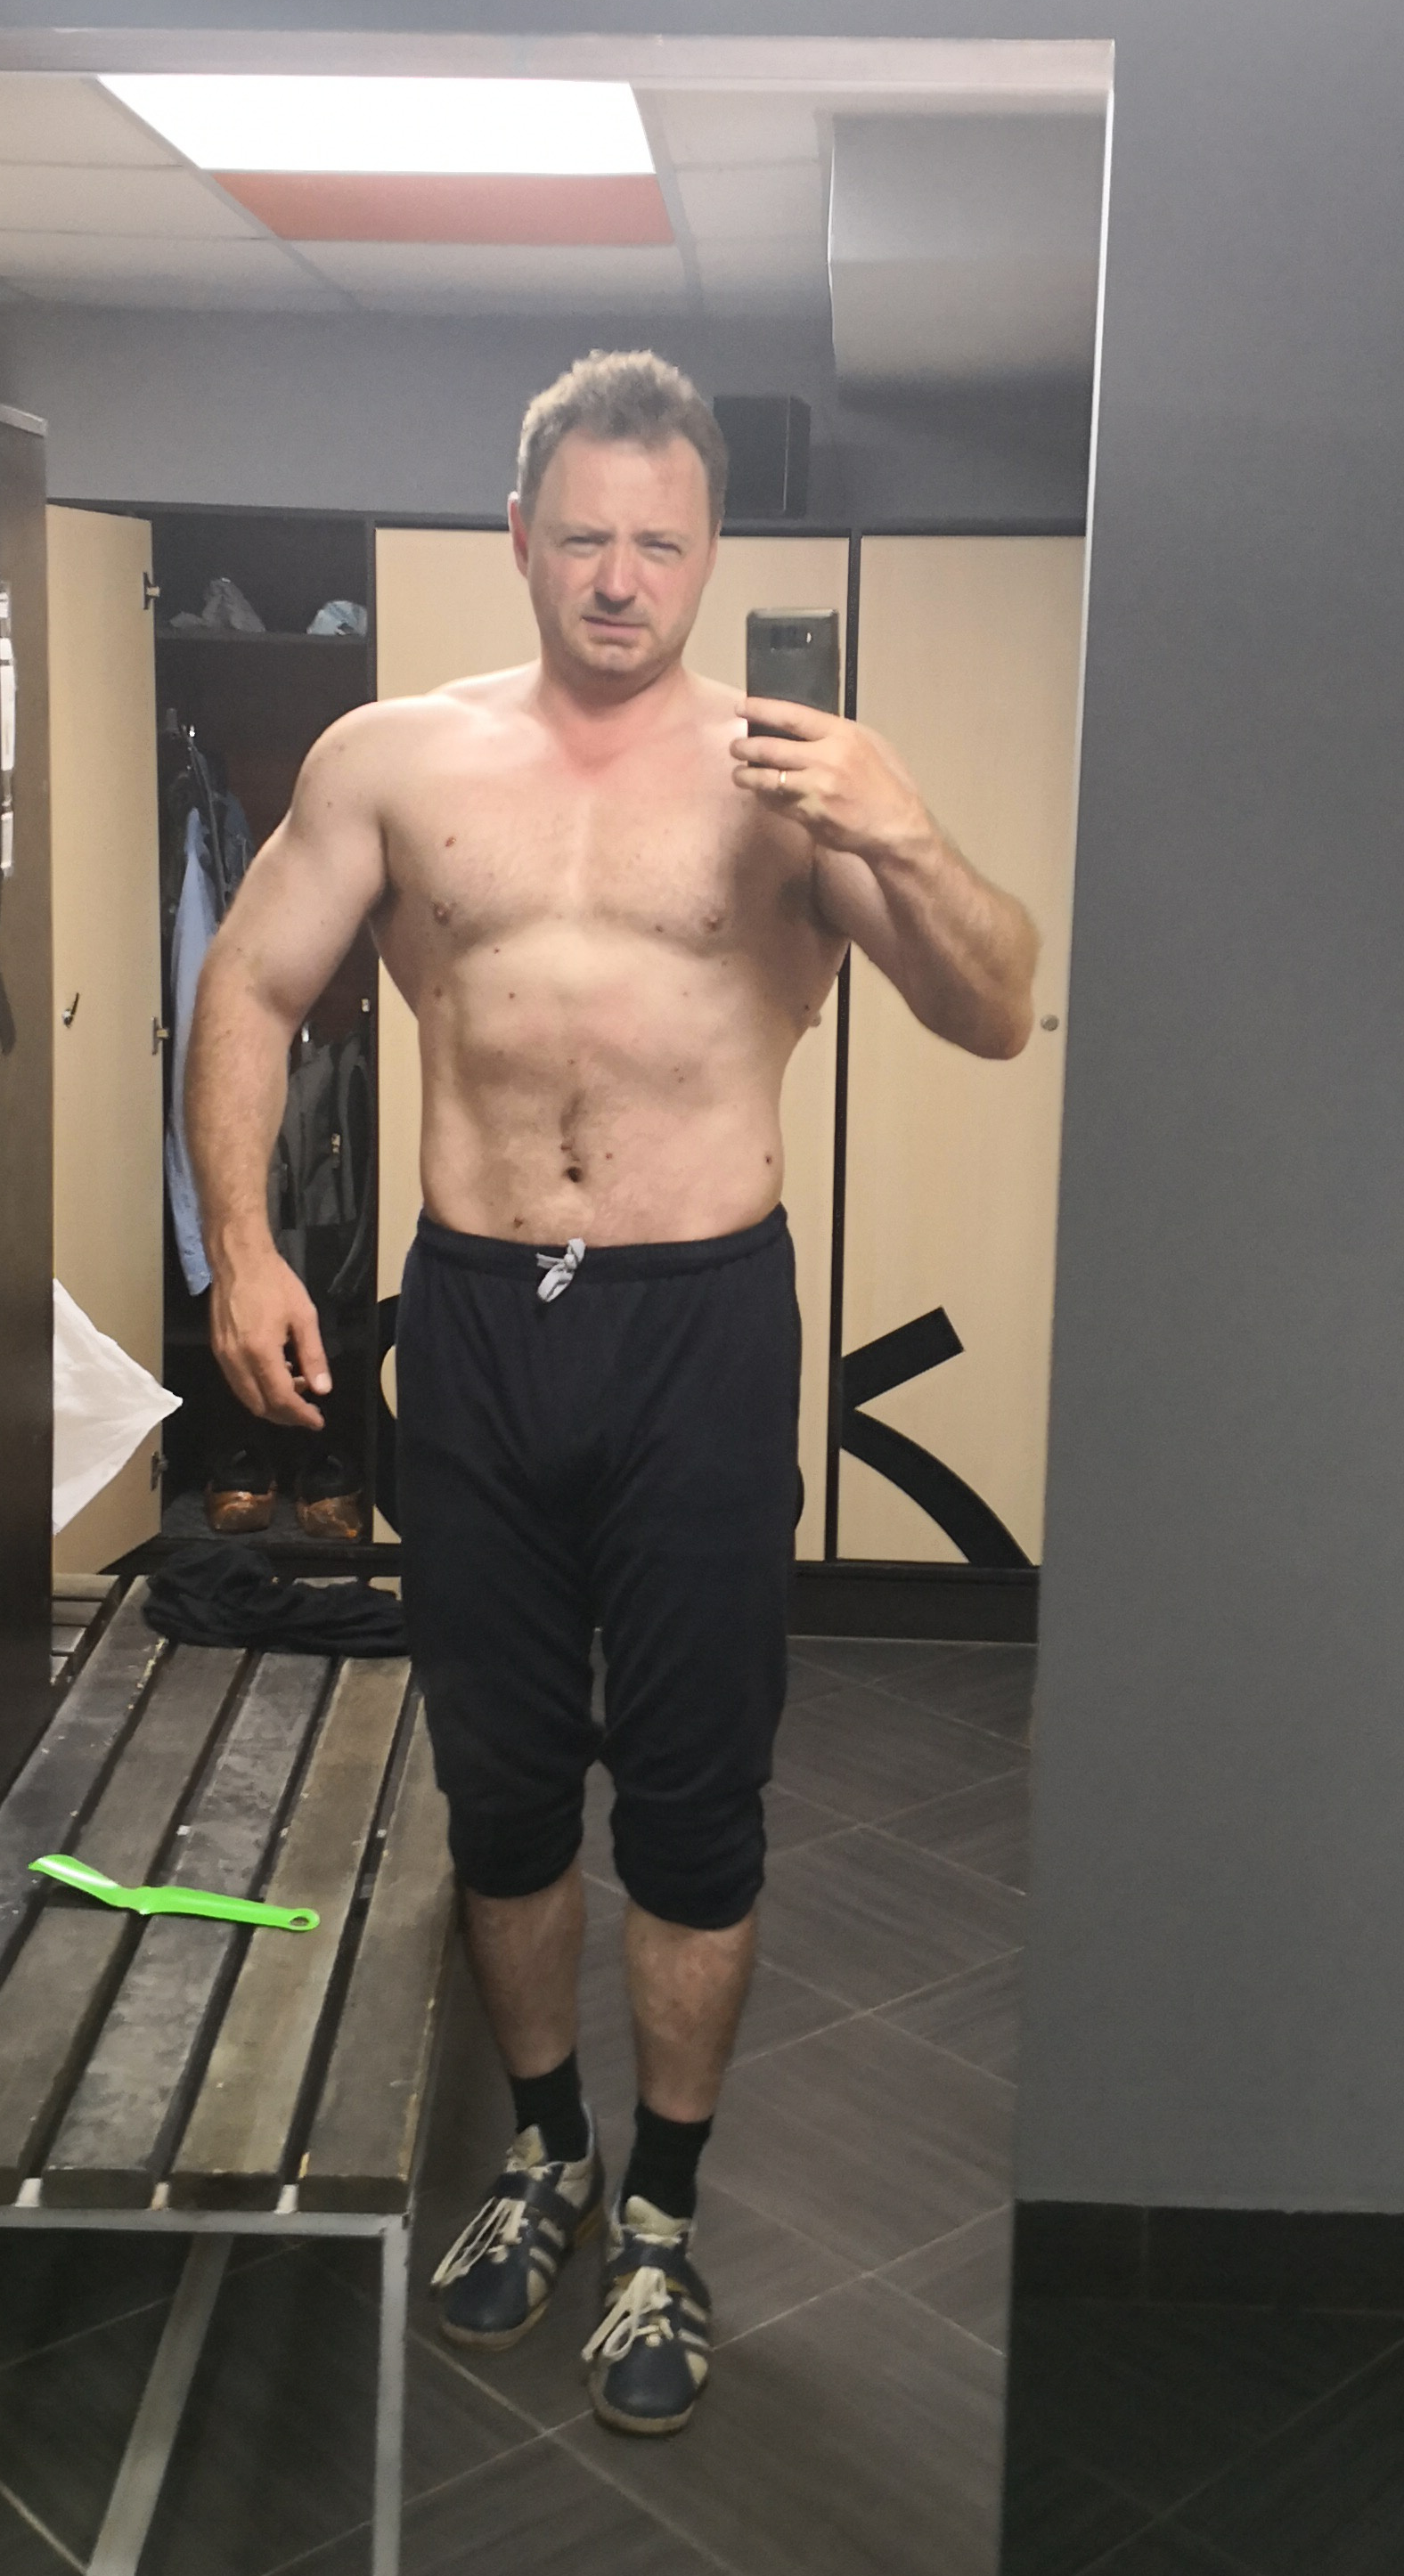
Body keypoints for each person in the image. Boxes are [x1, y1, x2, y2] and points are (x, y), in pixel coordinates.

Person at [185, 351, 1039, 2436]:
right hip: (481, 1316)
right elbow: (254, 980)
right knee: (497, 1784)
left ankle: (662, 2214)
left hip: (698, 1330)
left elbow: (999, 1007)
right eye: (584, 535)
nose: (621, 575)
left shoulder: (795, 785)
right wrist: (247, 1246)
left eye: (661, 540)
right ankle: (546, 2149)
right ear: (520, 536)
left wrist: (910, 830)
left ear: (709, 546)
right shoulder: (396, 756)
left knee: (690, 1799)